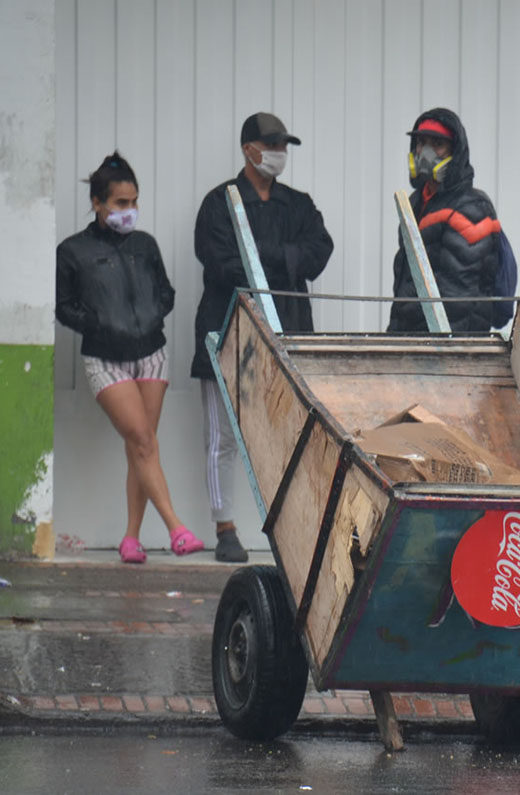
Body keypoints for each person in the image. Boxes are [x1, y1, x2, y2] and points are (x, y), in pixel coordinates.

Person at [192, 112, 334, 562]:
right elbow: (220, 262)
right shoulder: (220, 203)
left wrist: (265, 254)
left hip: (287, 330)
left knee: (290, 432)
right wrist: (285, 261)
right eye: (271, 145)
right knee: (223, 435)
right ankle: (225, 527)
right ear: (248, 149)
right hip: (228, 326)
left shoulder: (298, 203)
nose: (279, 155)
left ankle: (289, 528)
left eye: (283, 146)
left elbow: (320, 252)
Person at [56, 152, 203, 563]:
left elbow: (166, 293)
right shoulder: (73, 251)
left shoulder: (145, 245)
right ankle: (177, 528)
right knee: (141, 440)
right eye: (121, 203)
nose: (130, 211)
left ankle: (131, 539)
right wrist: (99, 324)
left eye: (134, 201)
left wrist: (153, 315)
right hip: (105, 358)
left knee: (143, 446)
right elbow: (63, 306)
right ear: (98, 203)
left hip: (152, 353)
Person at [388, 108, 502, 333]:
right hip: (415, 339)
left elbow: (458, 299)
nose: (426, 153)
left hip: (451, 347)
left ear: (455, 152)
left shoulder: (472, 208)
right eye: (421, 143)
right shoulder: (416, 203)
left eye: (437, 145)